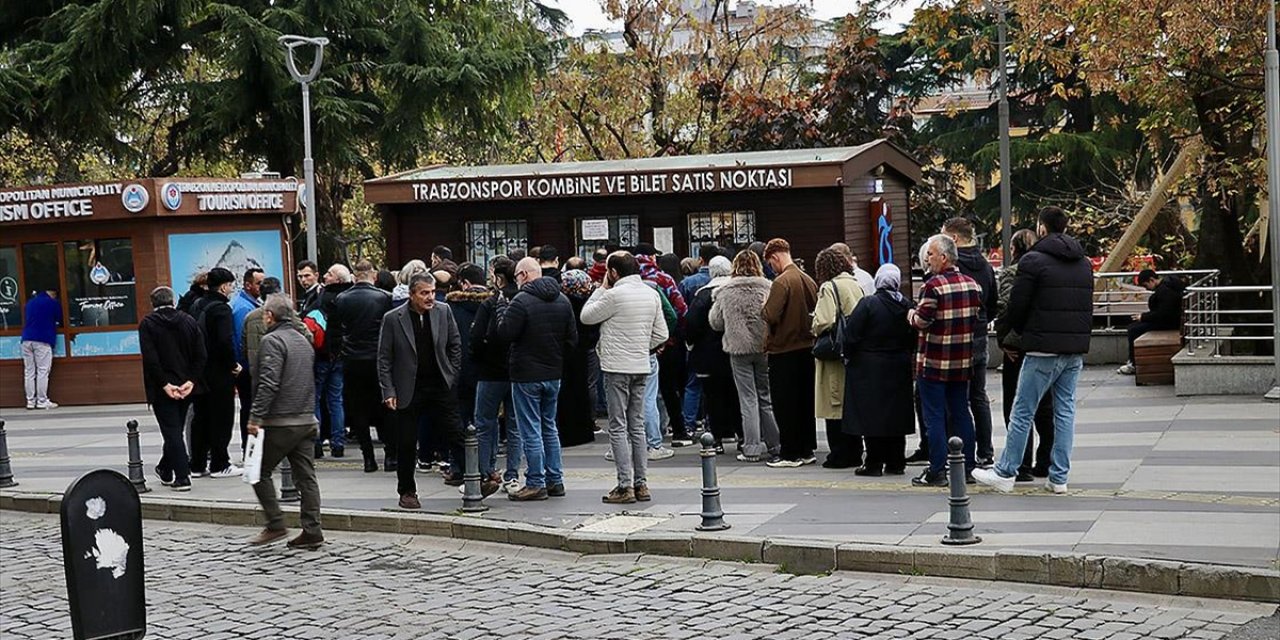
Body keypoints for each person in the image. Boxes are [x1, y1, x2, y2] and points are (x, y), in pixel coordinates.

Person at [974, 206, 1093, 494]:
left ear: (1041, 228)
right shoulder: (1083, 262)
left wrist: (1006, 335)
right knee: (1064, 411)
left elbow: (1017, 305)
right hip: (1074, 349)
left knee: (1022, 409)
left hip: (1041, 347)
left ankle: (1005, 472)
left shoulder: (1033, 261)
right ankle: (1059, 477)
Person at [581, 252, 668, 504]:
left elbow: (586, 316)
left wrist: (600, 289)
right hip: (641, 365)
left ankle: (624, 485)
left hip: (616, 366)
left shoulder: (613, 295)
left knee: (617, 427)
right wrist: (642, 347)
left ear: (614, 272)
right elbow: (661, 332)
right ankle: (642, 484)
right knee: (637, 425)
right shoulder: (651, 293)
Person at [377, 273, 470, 509]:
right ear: (412, 295)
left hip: (440, 384)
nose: (430, 297)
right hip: (408, 388)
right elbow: (384, 358)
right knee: (407, 442)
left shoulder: (443, 311)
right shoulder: (393, 318)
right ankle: (407, 491)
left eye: (433, 292)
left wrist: (452, 374)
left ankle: (478, 479)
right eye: (424, 293)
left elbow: (455, 344)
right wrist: (388, 390)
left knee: (456, 433)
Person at [246, 294, 324, 550]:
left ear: (270, 316)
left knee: (258, 471)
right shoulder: (303, 340)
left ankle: (276, 522)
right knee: (306, 477)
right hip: (305, 418)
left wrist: (256, 416)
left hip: (281, 420)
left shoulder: (272, 341)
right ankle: (312, 530)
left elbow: (269, 382)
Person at [496, 258, 578, 501]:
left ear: (522, 275)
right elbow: (572, 339)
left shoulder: (521, 301)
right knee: (549, 427)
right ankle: (555, 479)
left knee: (530, 429)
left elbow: (505, 334)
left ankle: (535, 482)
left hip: (526, 374)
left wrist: (502, 309)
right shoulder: (563, 299)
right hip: (553, 372)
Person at [908, 234, 983, 487]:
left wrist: (910, 315)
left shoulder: (932, 286)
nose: (927, 259)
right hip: (962, 361)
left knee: (934, 416)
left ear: (944, 257)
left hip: (933, 362)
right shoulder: (973, 284)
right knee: (962, 412)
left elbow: (922, 321)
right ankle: (968, 467)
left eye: (930, 254)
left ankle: (937, 469)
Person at [842, 264, 915, 476]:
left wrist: (849, 356)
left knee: (871, 416)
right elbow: (912, 337)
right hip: (899, 366)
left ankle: (873, 463)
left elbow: (851, 335)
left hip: (869, 367)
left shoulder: (869, 303)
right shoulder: (906, 305)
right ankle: (896, 461)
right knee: (896, 415)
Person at [710, 250, 781, 462]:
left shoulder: (725, 291)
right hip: (764, 347)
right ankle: (775, 445)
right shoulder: (768, 287)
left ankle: (751, 448)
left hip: (738, 349)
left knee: (747, 399)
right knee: (765, 398)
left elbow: (715, 322)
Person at [995, 229, 1055, 481]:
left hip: (1017, 349)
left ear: (1014, 248)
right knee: (1045, 406)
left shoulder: (1011, 273)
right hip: (1046, 345)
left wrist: (1005, 339)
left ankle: (1022, 465)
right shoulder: (1048, 271)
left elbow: (1006, 306)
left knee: (1017, 406)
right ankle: (1046, 461)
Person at [942, 217, 998, 466]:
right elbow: (994, 302)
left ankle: (959, 451)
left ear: (953, 239)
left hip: (956, 337)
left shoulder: (953, 267)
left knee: (956, 398)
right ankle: (986, 452)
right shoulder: (984, 265)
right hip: (980, 333)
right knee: (979, 396)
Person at [139, 286, 205, 491]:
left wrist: (164, 384)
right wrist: (191, 381)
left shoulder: (148, 325)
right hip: (185, 385)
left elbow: (151, 359)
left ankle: (182, 476)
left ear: (153, 303)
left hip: (162, 387)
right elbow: (201, 354)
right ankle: (165, 468)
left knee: (172, 431)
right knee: (175, 429)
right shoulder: (189, 321)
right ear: (173, 301)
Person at [761, 238, 819, 468]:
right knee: (804, 402)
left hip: (784, 349)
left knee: (785, 403)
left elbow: (771, 315)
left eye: (770, 263)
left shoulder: (781, 282)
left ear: (775, 257)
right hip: (807, 348)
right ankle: (806, 449)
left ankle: (790, 452)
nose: (771, 267)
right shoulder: (807, 279)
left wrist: (764, 306)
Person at [331, 260, 393, 472]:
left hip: (352, 360)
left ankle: (368, 457)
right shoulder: (384, 298)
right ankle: (390, 454)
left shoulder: (342, 299)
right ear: (373, 274)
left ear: (355, 275)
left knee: (358, 409)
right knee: (385, 405)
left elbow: (335, 332)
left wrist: (338, 353)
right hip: (378, 359)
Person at [811, 247, 865, 469]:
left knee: (833, 404)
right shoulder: (854, 284)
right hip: (853, 351)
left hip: (833, 352)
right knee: (850, 404)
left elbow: (824, 320)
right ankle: (855, 450)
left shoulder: (829, 287)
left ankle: (840, 454)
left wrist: (812, 323)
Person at [471, 256, 521, 493]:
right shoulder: (522, 301)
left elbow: (475, 337)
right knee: (515, 425)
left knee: (484, 423)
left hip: (490, 371)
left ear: (499, 278)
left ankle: (486, 471)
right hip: (518, 371)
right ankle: (513, 475)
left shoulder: (490, 303)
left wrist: (481, 356)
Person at [189, 267, 242, 478]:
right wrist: (233, 365)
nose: (231, 290)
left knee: (200, 418)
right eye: (230, 285)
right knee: (222, 417)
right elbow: (224, 341)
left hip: (199, 371)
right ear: (223, 286)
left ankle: (197, 464)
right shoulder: (221, 309)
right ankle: (220, 463)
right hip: (218, 372)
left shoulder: (197, 305)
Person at [685, 255, 739, 452]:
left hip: (708, 353)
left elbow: (691, 322)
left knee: (713, 396)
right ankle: (741, 435)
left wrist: (691, 343)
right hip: (734, 350)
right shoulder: (735, 290)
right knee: (736, 395)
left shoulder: (703, 294)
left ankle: (716, 439)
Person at [306, 264, 353, 458]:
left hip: (322, 354)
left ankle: (316, 443)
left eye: (329, 274)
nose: (325, 276)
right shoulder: (348, 298)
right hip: (341, 354)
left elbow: (309, 318)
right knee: (336, 400)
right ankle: (338, 443)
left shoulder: (322, 298)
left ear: (338, 279)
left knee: (316, 398)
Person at [678, 244, 720, 434]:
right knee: (715, 387)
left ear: (701, 259)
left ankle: (688, 423)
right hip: (718, 341)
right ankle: (713, 424)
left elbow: (683, 313)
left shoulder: (688, 283)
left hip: (697, 341)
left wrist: (688, 340)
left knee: (693, 385)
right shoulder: (722, 282)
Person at [557, 270, 601, 447]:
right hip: (585, 351)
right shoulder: (590, 303)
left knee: (566, 395)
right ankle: (586, 427)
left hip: (566, 353)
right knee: (585, 389)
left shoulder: (561, 303)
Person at [1117, 269, 1187, 375]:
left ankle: (1133, 363)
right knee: (1134, 327)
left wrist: (1144, 317)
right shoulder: (1168, 287)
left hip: (1168, 323)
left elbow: (1163, 313)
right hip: (1172, 320)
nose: (1147, 289)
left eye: (1146, 286)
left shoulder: (1165, 291)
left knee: (1133, 330)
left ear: (1151, 280)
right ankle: (1132, 361)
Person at [231, 268, 265, 450]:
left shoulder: (249, 304)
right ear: (248, 285)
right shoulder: (243, 308)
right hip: (248, 369)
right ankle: (250, 447)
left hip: (248, 367)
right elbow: (240, 341)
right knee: (250, 408)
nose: (262, 286)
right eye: (259, 283)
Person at [21, 288, 61, 410]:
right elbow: (59, 318)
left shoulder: (30, 302)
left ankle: (30, 401)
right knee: (43, 371)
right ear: (53, 294)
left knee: (29, 372)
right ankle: (42, 401)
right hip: (42, 339)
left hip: (26, 339)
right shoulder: (52, 302)